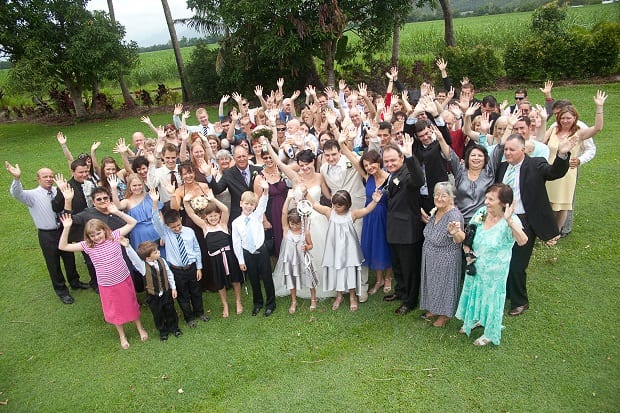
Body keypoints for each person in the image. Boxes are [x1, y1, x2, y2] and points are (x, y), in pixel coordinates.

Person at [496, 133, 574, 316]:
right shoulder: (502, 168)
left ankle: (520, 302)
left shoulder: (536, 164)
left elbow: (554, 172)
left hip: (524, 221)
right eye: (506, 149)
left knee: (517, 264)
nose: (507, 153)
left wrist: (562, 155)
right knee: (503, 259)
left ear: (523, 150)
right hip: (503, 220)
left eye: (512, 150)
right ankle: (507, 292)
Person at [58, 206, 148, 350]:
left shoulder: (114, 236)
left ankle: (140, 327)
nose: (96, 237)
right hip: (107, 284)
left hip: (123, 279)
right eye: (92, 235)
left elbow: (132, 223)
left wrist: (117, 212)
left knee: (131, 303)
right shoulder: (88, 246)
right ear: (88, 237)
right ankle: (122, 335)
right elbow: (63, 246)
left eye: (98, 233)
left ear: (104, 230)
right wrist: (66, 227)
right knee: (115, 309)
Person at [455, 184, 528, 346]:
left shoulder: (512, 220)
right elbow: (469, 235)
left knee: (492, 298)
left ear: (503, 203)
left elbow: (523, 241)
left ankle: (489, 332)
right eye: (486, 197)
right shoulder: (481, 212)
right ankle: (475, 319)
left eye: (491, 199)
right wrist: (468, 254)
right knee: (474, 292)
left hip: (495, 271)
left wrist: (509, 220)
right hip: (475, 264)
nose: (486, 202)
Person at [6, 162, 88, 304]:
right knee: (53, 262)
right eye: (45, 177)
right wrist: (17, 179)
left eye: (51, 176)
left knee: (69, 258)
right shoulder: (31, 195)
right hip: (47, 234)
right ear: (38, 179)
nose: (49, 179)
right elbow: (16, 193)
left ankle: (75, 282)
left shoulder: (59, 190)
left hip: (63, 230)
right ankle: (62, 291)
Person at [267, 146, 334, 300]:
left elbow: (328, 196)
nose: (304, 168)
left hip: (317, 219)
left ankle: (322, 282)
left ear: (313, 162)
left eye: (307, 164)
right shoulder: (296, 177)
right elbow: (278, 162)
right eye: (301, 165)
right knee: (298, 254)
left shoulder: (320, 176)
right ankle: (301, 284)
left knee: (318, 253)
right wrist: (267, 142)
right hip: (298, 221)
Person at [307, 189, 382, 311]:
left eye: (339, 206)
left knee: (350, 271)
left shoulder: (352, 214)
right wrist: (306, 194)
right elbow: (315, 205)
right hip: (335, 249)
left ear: (347, 205)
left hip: (349, 250)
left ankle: (352, 296)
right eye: (334, 205)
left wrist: (374, 201)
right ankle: (339, 295)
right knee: (337, 271)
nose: (335, 208)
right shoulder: (329, 212)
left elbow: (367, 210)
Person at [543, 91, 607, 232]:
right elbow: (540, 142)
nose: (565, 121)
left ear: (574, 118)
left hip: (567, 172)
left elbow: (597, 128)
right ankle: (547, 229)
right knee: (548, 202)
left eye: (568, 118)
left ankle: (558, 231)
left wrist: (599, 107)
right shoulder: (553, 129)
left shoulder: (579, 133)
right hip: (549, 170)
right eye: (562, 118)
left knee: (563, 204)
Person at [151, 189, 209, 328]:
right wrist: (154, 203)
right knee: (183, 295)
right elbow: (156, 222)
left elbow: (196, 249)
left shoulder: (189, 231)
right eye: (173, 227)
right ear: (167, 227)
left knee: (196, 291)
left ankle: (199, 312)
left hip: (192, 267)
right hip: (177, 270)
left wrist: (199, 267)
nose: (177, 228)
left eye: (178, 225)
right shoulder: (166, 234)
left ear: (181, 220)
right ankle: (189, 318)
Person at [182, 193, 245, 318]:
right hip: (215, 259)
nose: (213, 218)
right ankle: (225, 304)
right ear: (206, 217)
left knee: (235, 280)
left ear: (219, 215)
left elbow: (225, 209)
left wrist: (213, 199)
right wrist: (185, 203)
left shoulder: (223, 225)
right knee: (220, 283)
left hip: (229, 256)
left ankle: (238, 301)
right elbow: (191, 214)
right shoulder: (205, 227)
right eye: (210, 216)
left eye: (215, 215)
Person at [341, 146, 392, 295]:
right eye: (366, 165)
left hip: (384, 217)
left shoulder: (390, 178)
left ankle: (388, 278)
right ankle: (379, 279)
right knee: (374, 246)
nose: (369, 167)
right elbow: (352, 157)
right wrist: (342, 142)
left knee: (386, 246)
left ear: (379, 161)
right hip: (369, 216)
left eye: (372, 164)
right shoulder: (368, 177)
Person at [382, 142, 425, 315]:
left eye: (393, 160)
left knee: (409, 268)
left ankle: (410, 301)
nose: (389, 164)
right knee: (398, 265)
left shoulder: (408, 174)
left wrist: (410, 157)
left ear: (401, 158)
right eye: (386, 161)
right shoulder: (392, 175)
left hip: (408, 231)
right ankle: (401, 291)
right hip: (393, 228)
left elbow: (419, 180)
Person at [419, 182, 464, 328]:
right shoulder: (437, 210)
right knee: (432, 283)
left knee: (445, 285)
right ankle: (434, 308)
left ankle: (444, 314)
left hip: (446, 258)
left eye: (444, 195)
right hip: (430, 256)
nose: (439, 198)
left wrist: (455, 232)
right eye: (436, 195)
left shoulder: (454, 215)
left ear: (451, 198)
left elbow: (459, 240)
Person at [232, 180, 276, 317]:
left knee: (267, 277)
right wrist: (240, 260)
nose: (249, 206)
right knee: (254, 279)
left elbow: (263, 202)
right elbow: (236, 242)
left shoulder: (257, 216)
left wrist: (266, 191)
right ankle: (258, 303)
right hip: (248, 253)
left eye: (252, 204)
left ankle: (270, 304)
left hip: (261, 251)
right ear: (241, 203)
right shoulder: (236, 223)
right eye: (246, 203)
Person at [125, 240, 182, 342]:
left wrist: (173, 288)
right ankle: (163, 332)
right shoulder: (143, 267)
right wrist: (128, 246)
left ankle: (174, 328)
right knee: (158, 314)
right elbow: (134, 259)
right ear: (148, 258)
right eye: (155, 252)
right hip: (153, 296)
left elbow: (169, 274)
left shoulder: (162, 261)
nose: (159, 252)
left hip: (166, 292)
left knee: (170, 311)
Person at [273, 197, 316, 314]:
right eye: (292, 223)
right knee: (291, 279)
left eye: (298, 224)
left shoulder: (305, 232)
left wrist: (307, 247)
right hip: (291, 260)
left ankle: (313, 299)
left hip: (303, 259)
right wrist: (287, 199)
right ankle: (293, 301)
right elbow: (283, 213)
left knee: (309, 278)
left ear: (302, 222)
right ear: (289, 222)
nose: (295, 226)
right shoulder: (286, 230)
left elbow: (311, 245)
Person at [206, 145, 264, 224]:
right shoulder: (228, 173)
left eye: (243, 156)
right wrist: (209, 175)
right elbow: (217, 190)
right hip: (238, 215)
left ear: (248, 156)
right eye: (238, 157)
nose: (242, 159)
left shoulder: (258, 170)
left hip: (258, 214)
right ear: (234, 158)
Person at [110, 173, 161, 251]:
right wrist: (113, 189)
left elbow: (159, 214)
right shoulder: (127, 201)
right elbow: (118, 206)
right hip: (140, 235)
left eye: (139, 185)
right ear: (129, 187)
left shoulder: (150, 195)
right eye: (134, 185)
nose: (137, 187)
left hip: (156, 230)